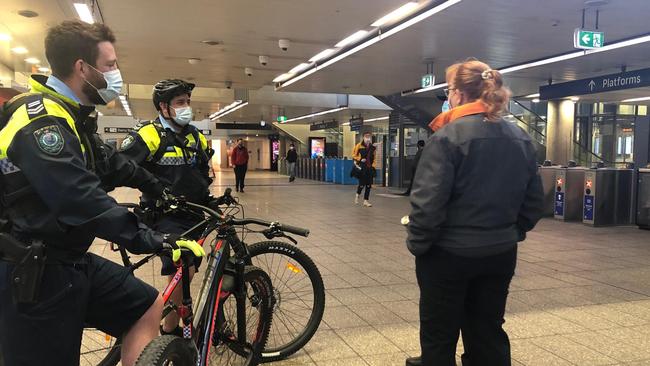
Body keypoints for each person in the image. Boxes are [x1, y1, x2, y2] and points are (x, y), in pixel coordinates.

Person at [0, 21, 205, 366]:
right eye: (110, 65)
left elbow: (113, 163)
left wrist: (158, 189)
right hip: (33, 273)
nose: (116, 74)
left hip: (70, 259)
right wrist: (153, 239)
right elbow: (79, 198)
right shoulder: (40, 121)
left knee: (146, 306)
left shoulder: (72, 116)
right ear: (83, 68)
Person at [405, 59, 545, 366]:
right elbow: (534, 202)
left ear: (458, 93)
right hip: (500, 253)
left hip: (447, 255)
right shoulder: (521, 139)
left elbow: (428, 205)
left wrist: (418, 245)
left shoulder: (446, 138)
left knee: (439, 335)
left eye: (448, 89)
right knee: (487, 330)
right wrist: (509, 233)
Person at [118, 78, 216, 336]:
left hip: (195, 213)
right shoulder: (148, 134)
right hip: (165, 216)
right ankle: (169, 330)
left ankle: (183, 320)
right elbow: (124, 169)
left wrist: (210, 197)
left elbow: (202, 171)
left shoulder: (195, 135)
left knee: (189, 268)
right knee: (184, 269)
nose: (187, 107)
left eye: (188, 102)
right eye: (180, 103)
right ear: (163, 107)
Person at [352, 132, 377, 207]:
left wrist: (373, 166)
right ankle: (357, 195)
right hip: (362, 167)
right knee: (362, 184)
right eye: (366, 136)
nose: (368, 138)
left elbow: (374, 158)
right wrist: (360, 159)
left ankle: (366, 201)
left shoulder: (373, 148)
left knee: (369, 185)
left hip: (370, 168)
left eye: (369, 136)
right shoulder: (359, 146)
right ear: (363, 137)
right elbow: (353, 155)